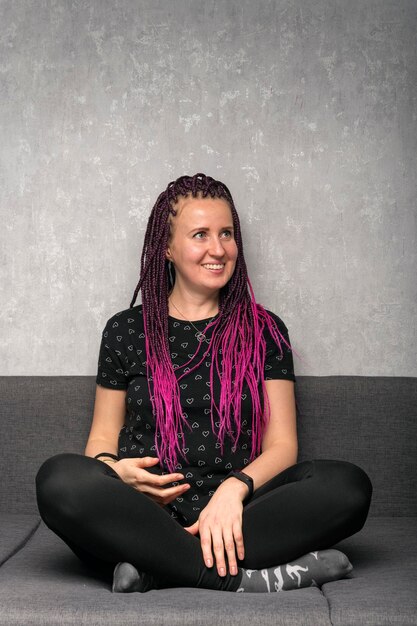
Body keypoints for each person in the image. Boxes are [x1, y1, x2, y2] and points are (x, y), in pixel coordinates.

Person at [36, 173, 372, 594]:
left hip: (241, 515)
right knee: (58, 479)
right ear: (167, 249)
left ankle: (158, 569)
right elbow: (101, 438)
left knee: (348, 487)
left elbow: (283, 446)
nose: (219, 249)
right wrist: (116, 472)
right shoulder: (125, 330)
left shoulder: (265, 329)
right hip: (142, 515)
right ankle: (242, 580)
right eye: (200, 235)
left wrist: (234, 491)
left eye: (227, 233)